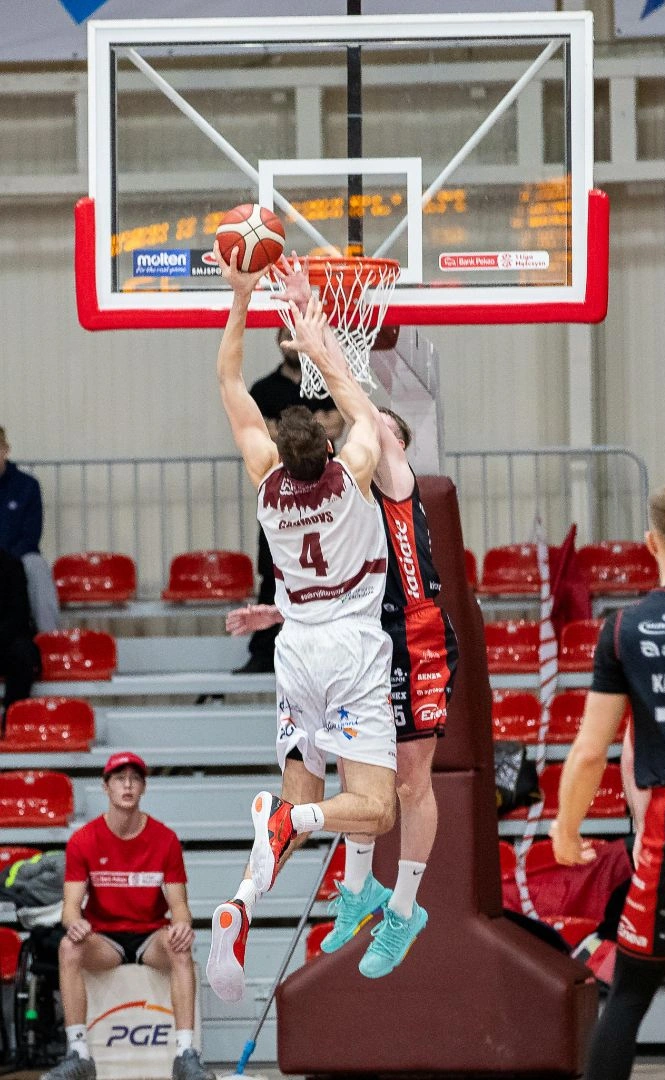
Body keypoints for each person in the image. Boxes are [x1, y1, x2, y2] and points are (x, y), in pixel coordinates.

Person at [226, 345, 458, 975]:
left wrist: (320, 339)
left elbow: (364, 422)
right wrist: (279, 611)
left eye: (384, 430)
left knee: (408, 781)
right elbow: (329, 584)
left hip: (413, 631)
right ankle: (357, 890)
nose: (373, 433)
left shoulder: (391, 477)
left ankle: (403, 909)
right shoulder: (343, 488)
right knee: (370, 774)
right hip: (360, 636)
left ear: (394, 443)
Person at [205, 247, 397, 1004]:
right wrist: (319, 343)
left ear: (280, 454)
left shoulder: (264, 480)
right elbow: (364, 411)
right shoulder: (351, 476)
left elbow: (230, 383)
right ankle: (297, 818)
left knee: (293, 795)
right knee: (374, 809)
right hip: (350, 649)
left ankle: (242, 900)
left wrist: (242, 296)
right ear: (328, 447)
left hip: (295, 651)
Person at [551, 482, 665, 1080]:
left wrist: (566, 829)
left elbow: (589, 750)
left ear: (650, 543)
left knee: (630, 990)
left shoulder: (625, 629)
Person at [41, 752, 214, 1080]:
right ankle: (79, 1053)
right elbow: (70, 907)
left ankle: (185, 1054)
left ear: (144, 787)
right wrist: (75, 924)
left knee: (180, 946)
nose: (128, 785)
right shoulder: (83, 840)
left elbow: (179, 906)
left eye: (135, 779)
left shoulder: (165, 839)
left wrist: (182, 925)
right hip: (105, 938)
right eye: (120, 778)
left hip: (151, 934)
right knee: (68, 947)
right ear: (106, 786)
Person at [237, 329, 344, 673]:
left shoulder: (326, 385)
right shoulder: (263, 389)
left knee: (332, 569)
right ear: (278, 340)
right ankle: (264, 652)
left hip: (326, 495)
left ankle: (327, 649)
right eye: (286, 334)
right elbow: (262, 433)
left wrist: (284, 429)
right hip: (281, 494)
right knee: (273, 570)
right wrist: (313, 426)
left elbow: (336, 425)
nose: (292, 339)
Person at [0, 426, 60, 632]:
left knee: (37, 565)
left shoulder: (27, 486)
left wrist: (5, 561)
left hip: (18, 559)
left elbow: (31, 536)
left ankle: (50, 637)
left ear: (5, 450)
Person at [0, 549, 41, 735]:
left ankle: (12, 723)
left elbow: (18, 616)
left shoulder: (12, 565)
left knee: (22, 654)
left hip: (6, 642)